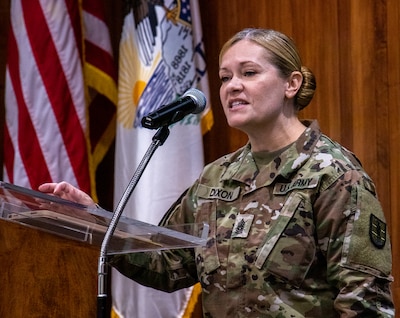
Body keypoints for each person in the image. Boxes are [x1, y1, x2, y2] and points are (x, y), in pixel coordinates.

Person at [39, 28, 395, 317]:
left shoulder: (332, 174)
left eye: (249, 73)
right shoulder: (216, 178)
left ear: (292, 84)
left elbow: (363, 302)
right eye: (225, 77)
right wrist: (96, 220)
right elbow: (166, 265)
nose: (232, 86)